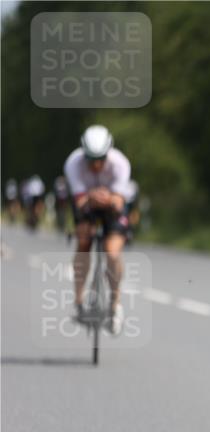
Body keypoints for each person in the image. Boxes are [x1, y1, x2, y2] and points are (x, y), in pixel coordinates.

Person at [63, 125, 132, 335]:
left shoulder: (120, 163)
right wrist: (92, 198)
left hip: (112, 205)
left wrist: (108, 199)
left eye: (100, 159)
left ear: (108, 153)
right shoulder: (73, 163)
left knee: (112, 252)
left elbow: (119, 202)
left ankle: (115, 305)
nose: (96, 164)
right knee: (83, 240)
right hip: (86, 204)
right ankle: (79, 302)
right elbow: (80, 202)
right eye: (90, 159)